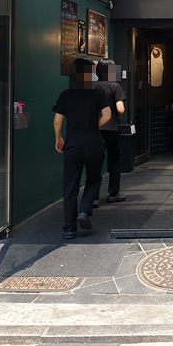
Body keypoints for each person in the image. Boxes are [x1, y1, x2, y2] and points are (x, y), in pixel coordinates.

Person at [52, 57, 111, 240]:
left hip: (73, 145)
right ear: (90, 73)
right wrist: (93, 126)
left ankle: (69, 228)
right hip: (94, 143)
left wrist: (58, 138)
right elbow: (107, 115)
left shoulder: (66, 94)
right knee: (94, 179)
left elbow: (57, 121)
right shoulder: (98, 92)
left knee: (70, 186)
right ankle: (84, 211)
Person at [96, 58, 126, 203]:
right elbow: (120, 109)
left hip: (95, 129)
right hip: (112, 128)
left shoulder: (92, 86)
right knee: (114, 160)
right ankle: (113, 193)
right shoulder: (115, 86)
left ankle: (93, 197)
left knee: (95, 162)